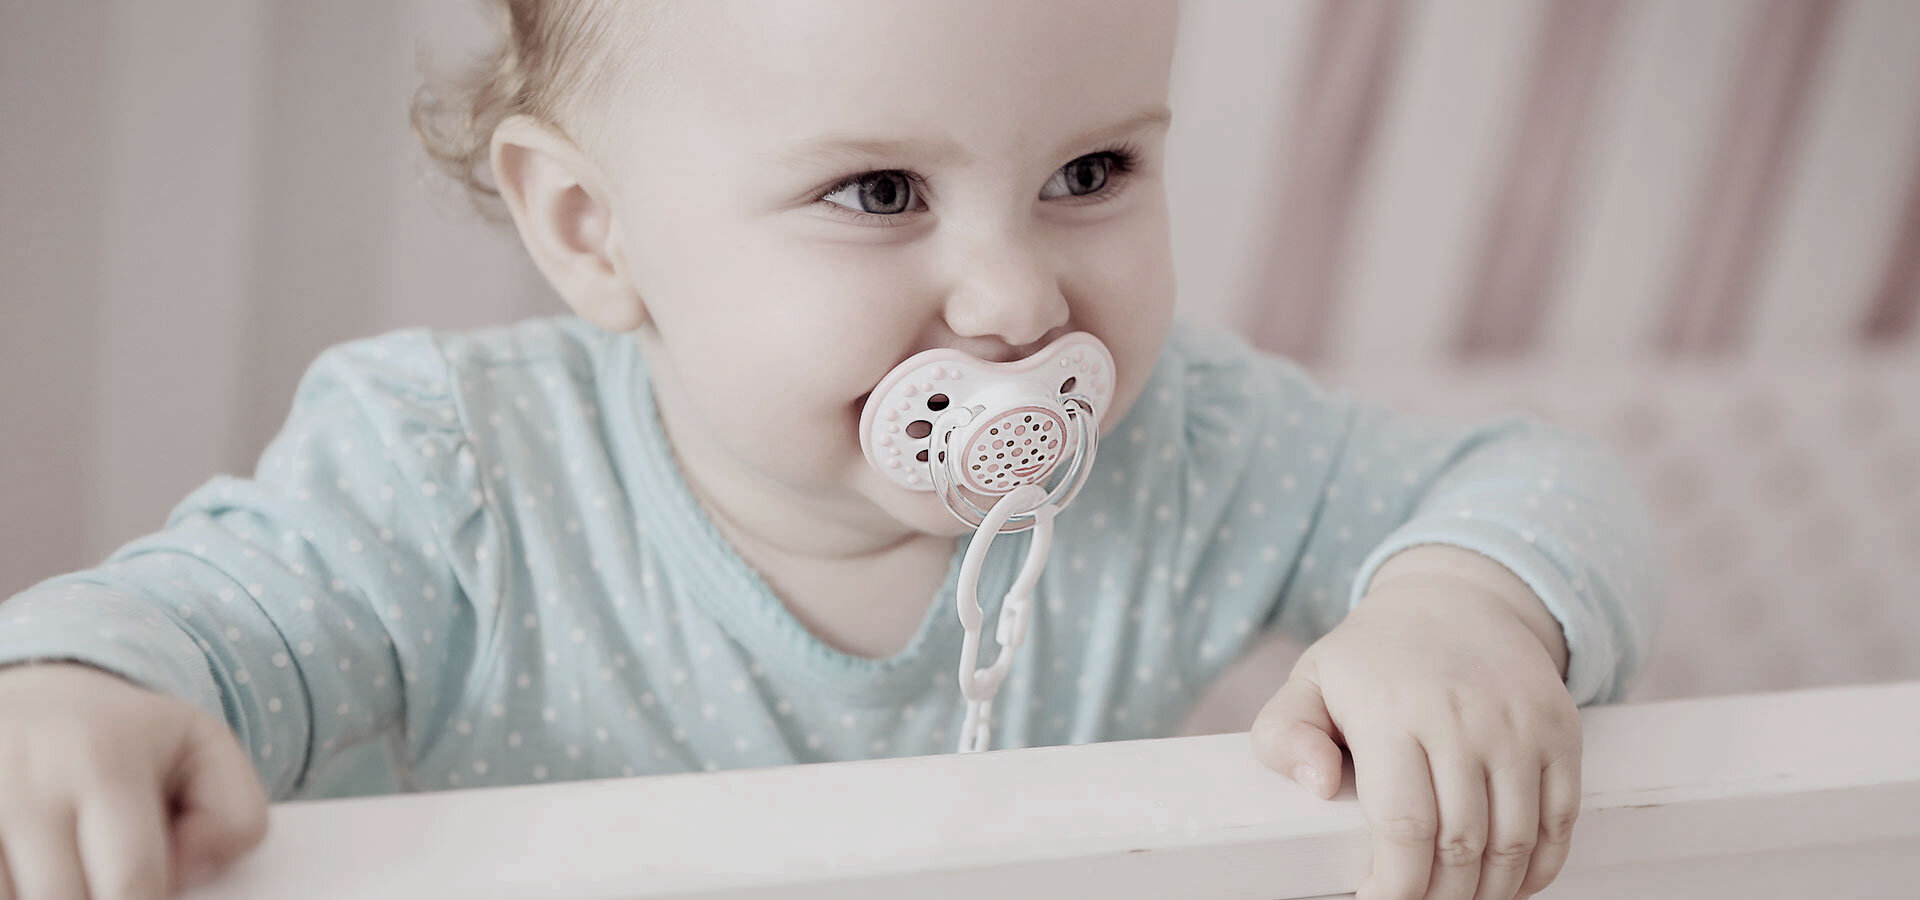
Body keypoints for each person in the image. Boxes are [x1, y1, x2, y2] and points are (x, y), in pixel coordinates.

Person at [0, 2, 1659, 898]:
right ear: (594, 230)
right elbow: (209, 622)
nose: (1015, 298)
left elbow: (1544, 478)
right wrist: (74, 693)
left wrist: (1459, 609)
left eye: (1091, 172)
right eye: (878, 195)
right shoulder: (455, 474)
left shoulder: (1189, 447)